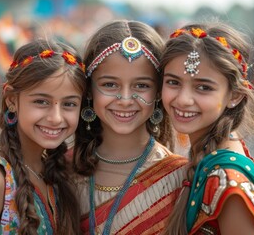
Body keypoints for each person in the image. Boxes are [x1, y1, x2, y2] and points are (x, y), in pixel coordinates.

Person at [0, 39, 86, 234]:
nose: (56, 118)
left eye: (69, 104)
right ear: (12, 100)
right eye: (41, 101)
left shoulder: (54, 170)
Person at [160, 23, 254, 235]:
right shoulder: (216, 154)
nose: (183, 99)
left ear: (235, 95)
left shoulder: (229, 186)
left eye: (203, 87)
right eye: (173, 82)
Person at [72, 20, 188, 234]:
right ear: (88, 90)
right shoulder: (60, 168)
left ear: (159, 92)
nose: (125, 99)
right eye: (110, 84)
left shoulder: (180, 177)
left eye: (141, 86)